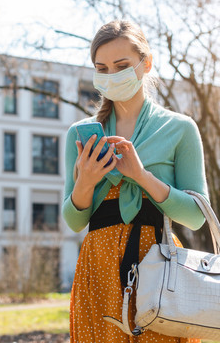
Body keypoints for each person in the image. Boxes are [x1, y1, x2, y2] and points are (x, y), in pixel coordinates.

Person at [63, 20, 209, 342]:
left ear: (146, 64)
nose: (111, 75)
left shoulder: (180, 129)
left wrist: (142, 177)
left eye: (121, 66)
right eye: (102, 68)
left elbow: (196, 217)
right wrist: (85, 182)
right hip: (97, 270)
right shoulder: (80, 134)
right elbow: (74, 221)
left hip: (159, 268)